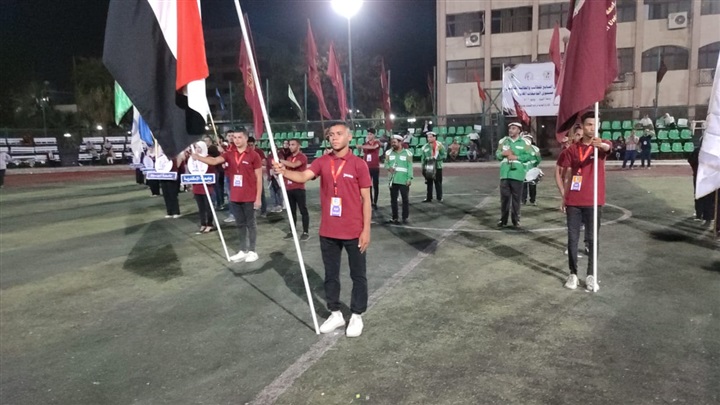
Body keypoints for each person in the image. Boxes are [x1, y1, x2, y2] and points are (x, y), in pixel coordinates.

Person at [273, 121, 372, 338]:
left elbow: (366, 199)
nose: (334, 137)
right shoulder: (322, 161)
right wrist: (284, 171)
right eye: (331, 134)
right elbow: (302, 176)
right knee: (330, 275)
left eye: (339, 134)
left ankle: (357, 315)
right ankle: (335, 313)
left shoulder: (359, 164)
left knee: (358, 275)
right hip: (328, 231)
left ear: (349, 137)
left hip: (354, 231)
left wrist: (366, 230)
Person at [556, 112, 612, 292]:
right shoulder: (573, 149)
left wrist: (601, 145)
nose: (592, 128)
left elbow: (607, 148)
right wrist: (564, 196)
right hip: (574, 200)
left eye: (595, 125)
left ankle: (591, 275)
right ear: (583, 126)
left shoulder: (601, 146)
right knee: (572, 239)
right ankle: (572, 273)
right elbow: (564, 172)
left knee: (592, 239)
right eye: (589, 124)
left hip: (594, 201)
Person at [193, 128, 263, 263]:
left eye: (239, 137)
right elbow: (214, 161)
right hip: (235, 196)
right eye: (234, 137)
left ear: (246, 138)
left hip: (249, 196)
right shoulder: (229, 154)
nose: (236, 140)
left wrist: (258, 198)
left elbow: (259, 178)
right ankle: (242, 250)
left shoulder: (254, 155)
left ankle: (253, 251)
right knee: (240, 224)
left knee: (251, 224)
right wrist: (199, 157)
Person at [496, 122, 534, 228]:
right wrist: (502, 154)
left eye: (513, 128)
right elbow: (497, 154)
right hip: (505, 173)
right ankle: (503, 219)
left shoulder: (525, 142)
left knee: (516, 199)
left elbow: (529, 156)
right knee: (504, 199)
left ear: (518, 130)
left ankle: (515, 220)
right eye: (510, 128)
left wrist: (517, 157)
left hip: (517, 173)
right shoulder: (503, 141)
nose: (510, 130)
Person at [279, 138, 310, 241]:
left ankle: (305, 232)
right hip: (289, 188)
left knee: (303, 210)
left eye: (293, 144)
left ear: (298, 146)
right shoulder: (288, 158)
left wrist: (280, 160)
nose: (290, 146)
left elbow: (294, 165)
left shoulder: (302, 157)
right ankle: (291, 231)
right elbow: (286, 170)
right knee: (291, 211)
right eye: (290, 145)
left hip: (299, 187)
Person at [385, 134, 414, 224]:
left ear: (400, 142)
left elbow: (410, 167)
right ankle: (395, 217)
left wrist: (409, 178)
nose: (392, 144)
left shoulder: (408, 153)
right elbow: (386, 164)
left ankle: (405, 217)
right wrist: (389, 168)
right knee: (393, 200)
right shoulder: (388, 153)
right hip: (393, 180)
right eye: (392, 142)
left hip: (404, 180)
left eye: (394, 142)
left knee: (405, 199)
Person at [191, 144, 217, 234]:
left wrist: (211, 180)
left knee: (208, 207)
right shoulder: (192, 159)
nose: (197, 149)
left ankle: (209, 224)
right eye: (196, 147)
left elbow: (212, 171)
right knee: (201, 207)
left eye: (199, 147)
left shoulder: (208, 158)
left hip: (207, 187)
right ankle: (203, 223)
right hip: (197, 186)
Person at [358, 128, 381, 209]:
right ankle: (370, 201)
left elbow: (373, 147)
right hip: (367, 167)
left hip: (375, 167)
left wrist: (361, 146)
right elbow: (363, 152)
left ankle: (375, 201)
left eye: (371, 134)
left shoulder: (377, 142)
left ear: (374, 135)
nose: (369, 136)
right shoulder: (365, 144)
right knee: (368, 185)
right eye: (368, 134)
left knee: (375, 184)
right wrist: (359, 148)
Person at [421, 131, 446, 202]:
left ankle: (439, 197)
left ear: (435, 137)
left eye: (430, 137)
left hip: (437, 167)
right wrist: (423, 166)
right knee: (429, 183)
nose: (429, 138)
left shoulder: (439, 145)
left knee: (438, 182)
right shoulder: (424, 147)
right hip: (428, 167)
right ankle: (429, 198)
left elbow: (444, 155)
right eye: (428, 137)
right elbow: (423, 158)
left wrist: (436, 158)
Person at [247, 136, 268, 216]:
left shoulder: (259, 152)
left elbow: (264, 162)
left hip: (258, 175)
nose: (250, 147)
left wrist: (257, 161)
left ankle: (263, 211)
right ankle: (252, 210)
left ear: (254, 144)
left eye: (251, 145)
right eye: (248, 145)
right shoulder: (245, 152)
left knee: (261, 193)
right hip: (248, 176)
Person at [521, 134, 542, 206]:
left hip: (532, 170)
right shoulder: (520, 149)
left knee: (532, 186)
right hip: (523, 169)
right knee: (523, 186)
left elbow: (538, 159)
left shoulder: (535, 149)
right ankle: (523, 200)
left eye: (529, 139)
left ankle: (533, 200)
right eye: (526, 139)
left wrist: (536, 168)